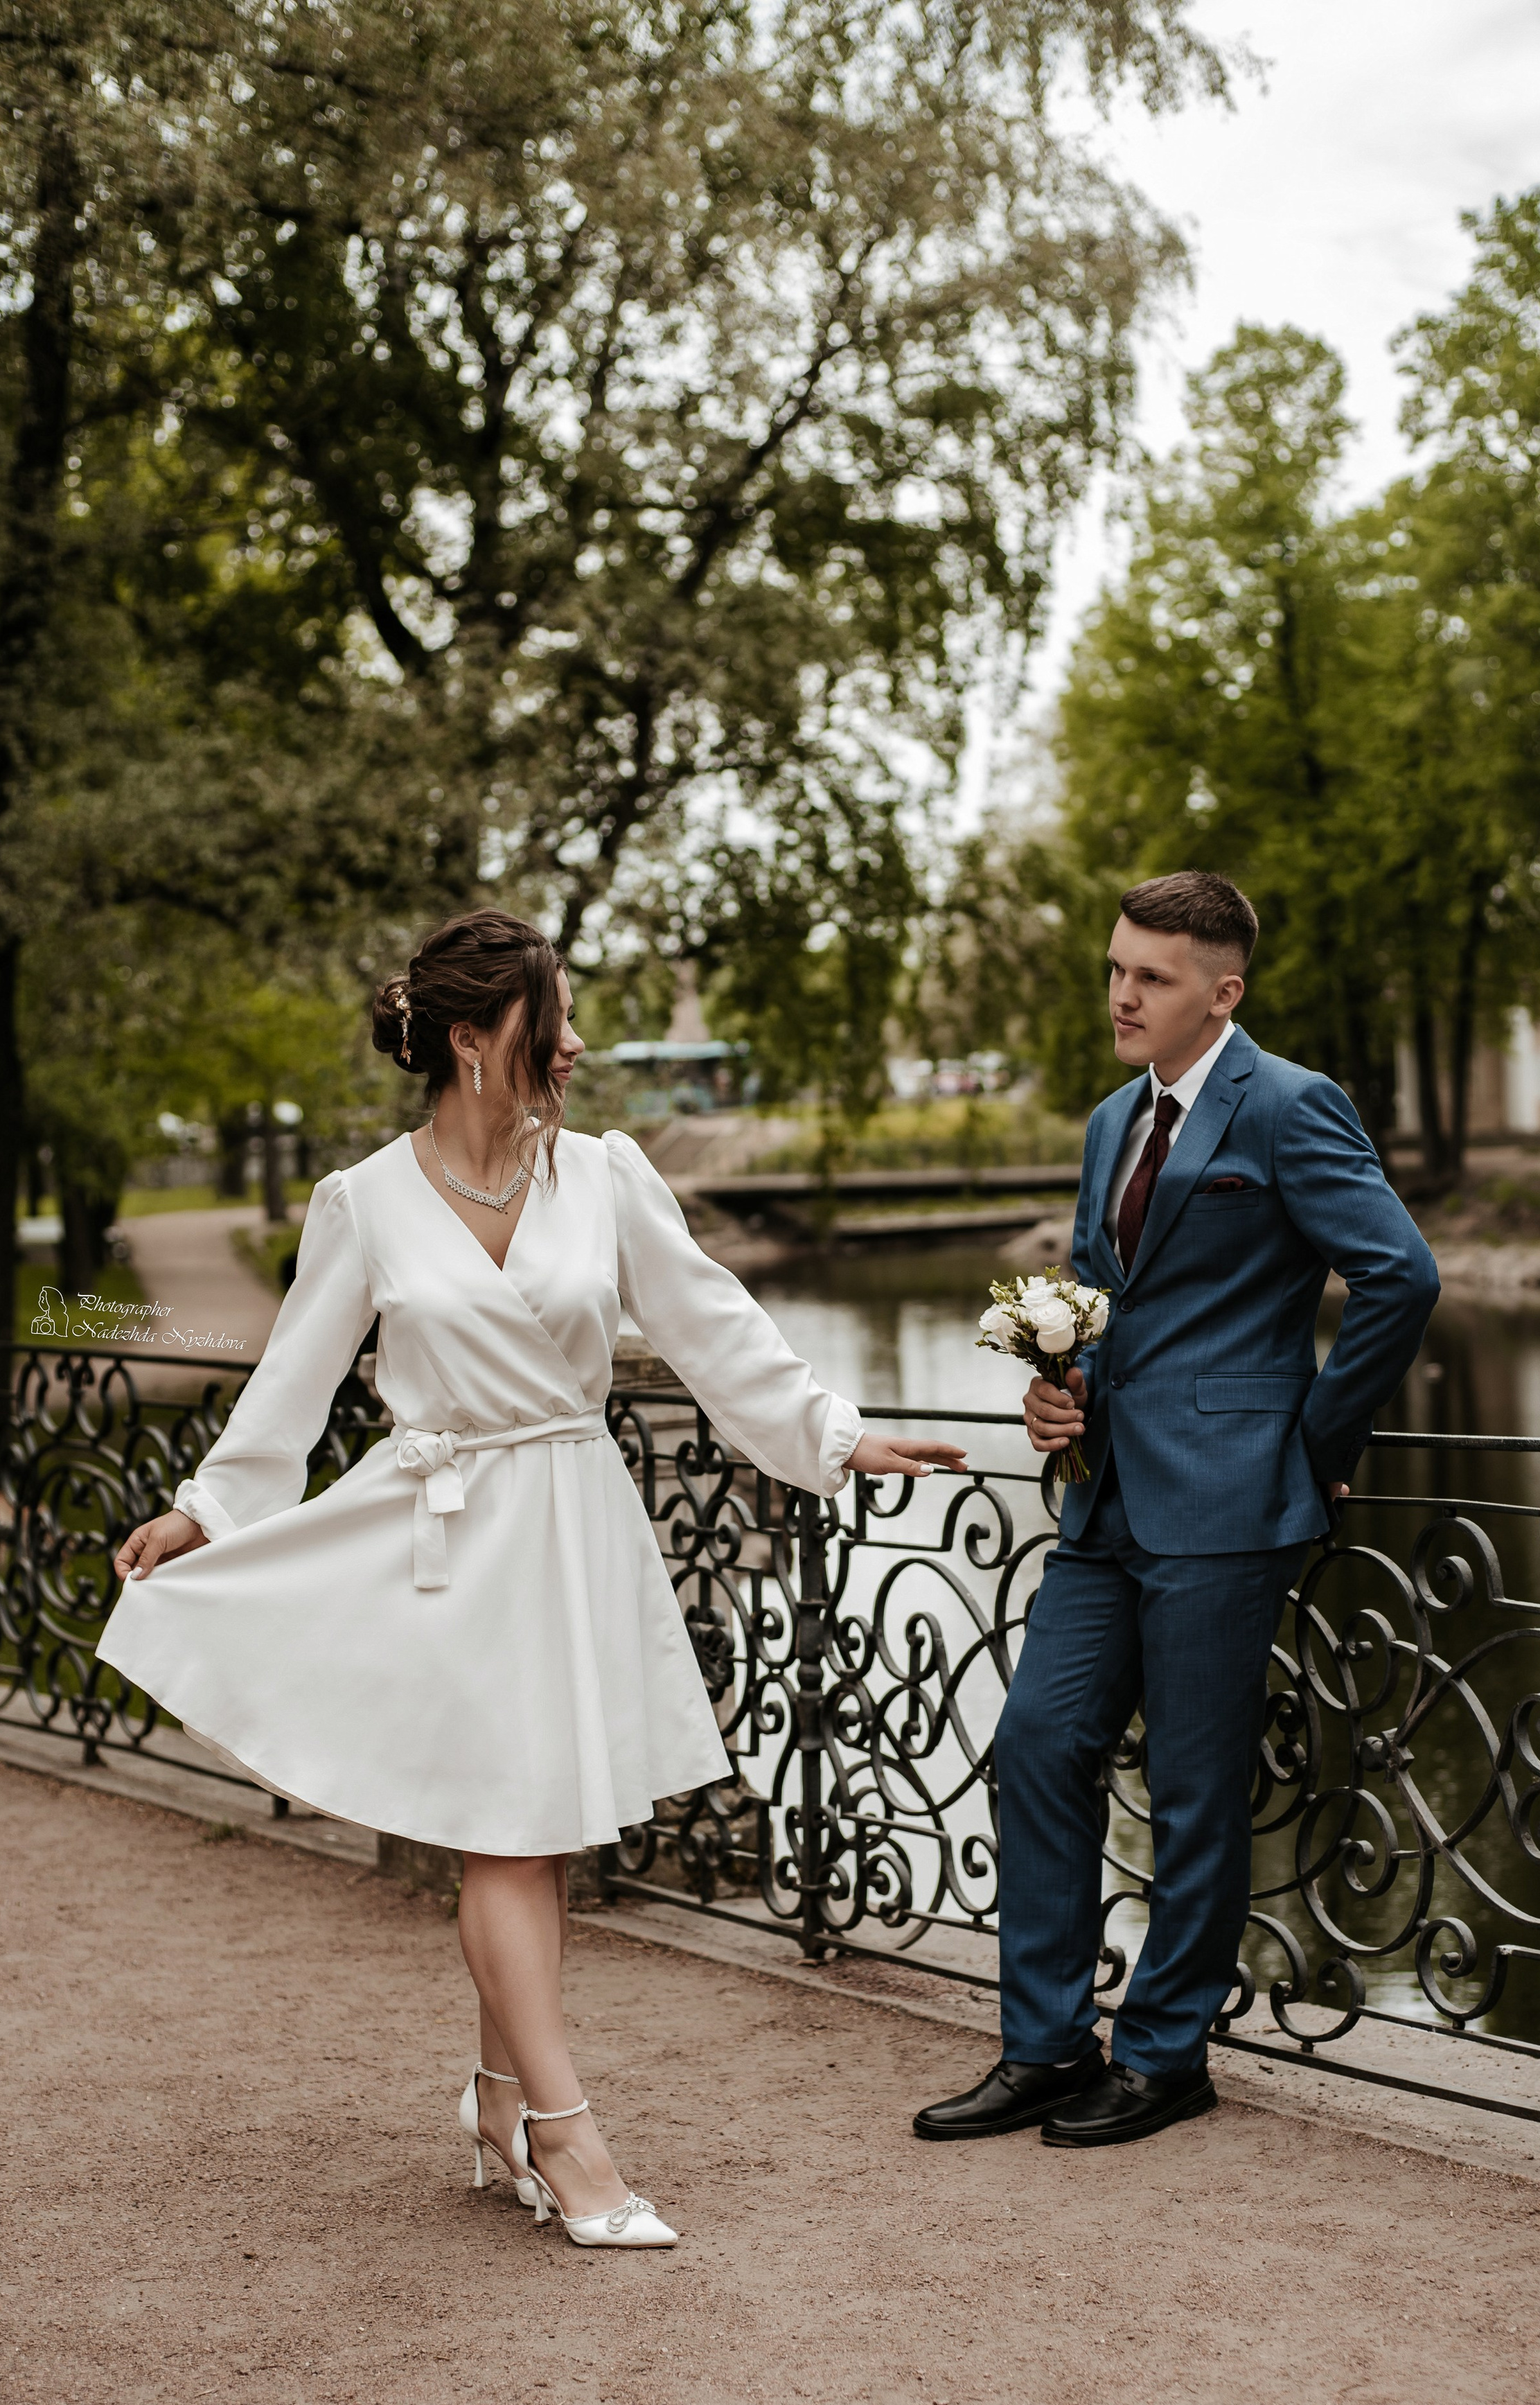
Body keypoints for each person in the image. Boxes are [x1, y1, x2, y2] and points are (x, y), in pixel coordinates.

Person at [102, 910, 963, 2248]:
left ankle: (500, 2102)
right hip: (441, 1542)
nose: (575, 1043)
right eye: (549, 1019)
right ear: (468, 1039)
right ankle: (570, 2143)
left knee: (541, 1834)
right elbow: (293, 1387)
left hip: (571, 1525)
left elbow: (713, 1330)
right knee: (505, 1837)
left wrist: (841, 1438)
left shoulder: (607, 1176)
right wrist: (208, 1510)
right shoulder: (364, 1202)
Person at [912, 871, 1438, 2151]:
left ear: (1224, 990)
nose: (1122, 994)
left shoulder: (1292, 1106)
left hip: (1229, 1505)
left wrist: (1308, 1450)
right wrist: (1061, 1394)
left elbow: (1400, 1277)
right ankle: (1043, 2047)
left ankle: (1163, 2056)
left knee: (1198, 1791)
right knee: (1039, 1744)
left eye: (1150, 976)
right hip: (1105, 1505)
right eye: (1115, 969)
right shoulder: (1110, 1123)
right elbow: (1099, 1297)